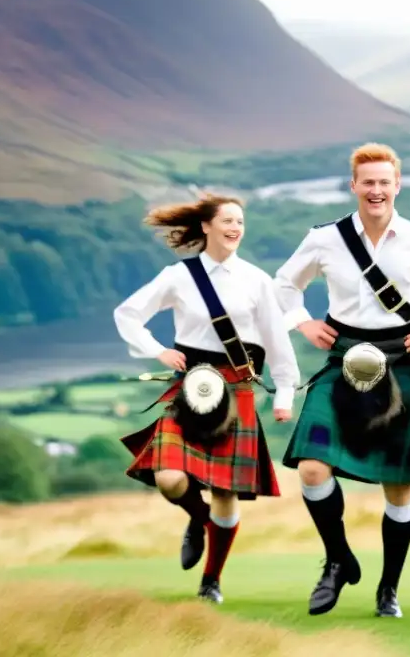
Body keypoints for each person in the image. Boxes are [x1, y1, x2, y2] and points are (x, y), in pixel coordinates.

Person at [273, 142, 410, 620]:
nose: (377, 190)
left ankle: (389, 588)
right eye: (368, 182)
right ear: (354, 186)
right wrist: (302, 322)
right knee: (312, 468)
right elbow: (283, 283)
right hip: (343, 357)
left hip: (404, 361)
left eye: (385, 182)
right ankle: (339, 559)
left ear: (397, 185)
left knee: (399, 485)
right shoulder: (325, 239)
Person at [115, 193, 301, 604]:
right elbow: (127, 313)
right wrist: (157, 350)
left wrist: (284, 391)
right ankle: (199, 522)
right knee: (169, 478)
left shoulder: (256, 280)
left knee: (225, 492)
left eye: (240, 222)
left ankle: (210, 580)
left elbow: (276, 339)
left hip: (237, 391)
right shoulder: (178, 276)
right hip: (190, 389)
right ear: (205, 227)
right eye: (227, 221)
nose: (235, 228)